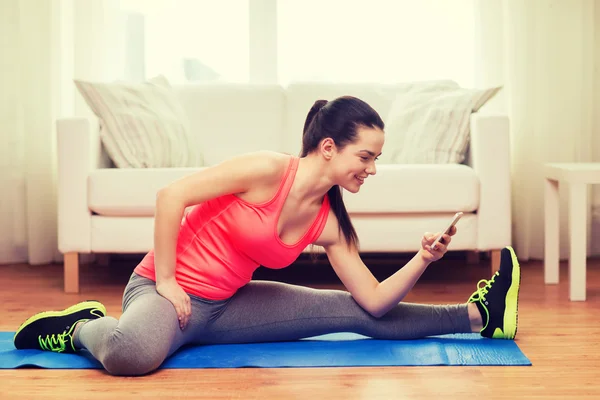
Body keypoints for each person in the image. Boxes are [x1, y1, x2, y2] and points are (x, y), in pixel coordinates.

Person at [13, 96, 521, 376]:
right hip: (166, 294)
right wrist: (166, 280)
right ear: (328, 147)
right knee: (130, 356)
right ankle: (81, 327)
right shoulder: (265, 170)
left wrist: (423, 259)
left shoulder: (329, 222)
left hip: (228, 306)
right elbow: (172, 196)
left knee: (353, 313)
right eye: (365, 156)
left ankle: (481, 314)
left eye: (376, 159)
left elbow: (375, 301)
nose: (372, 169)